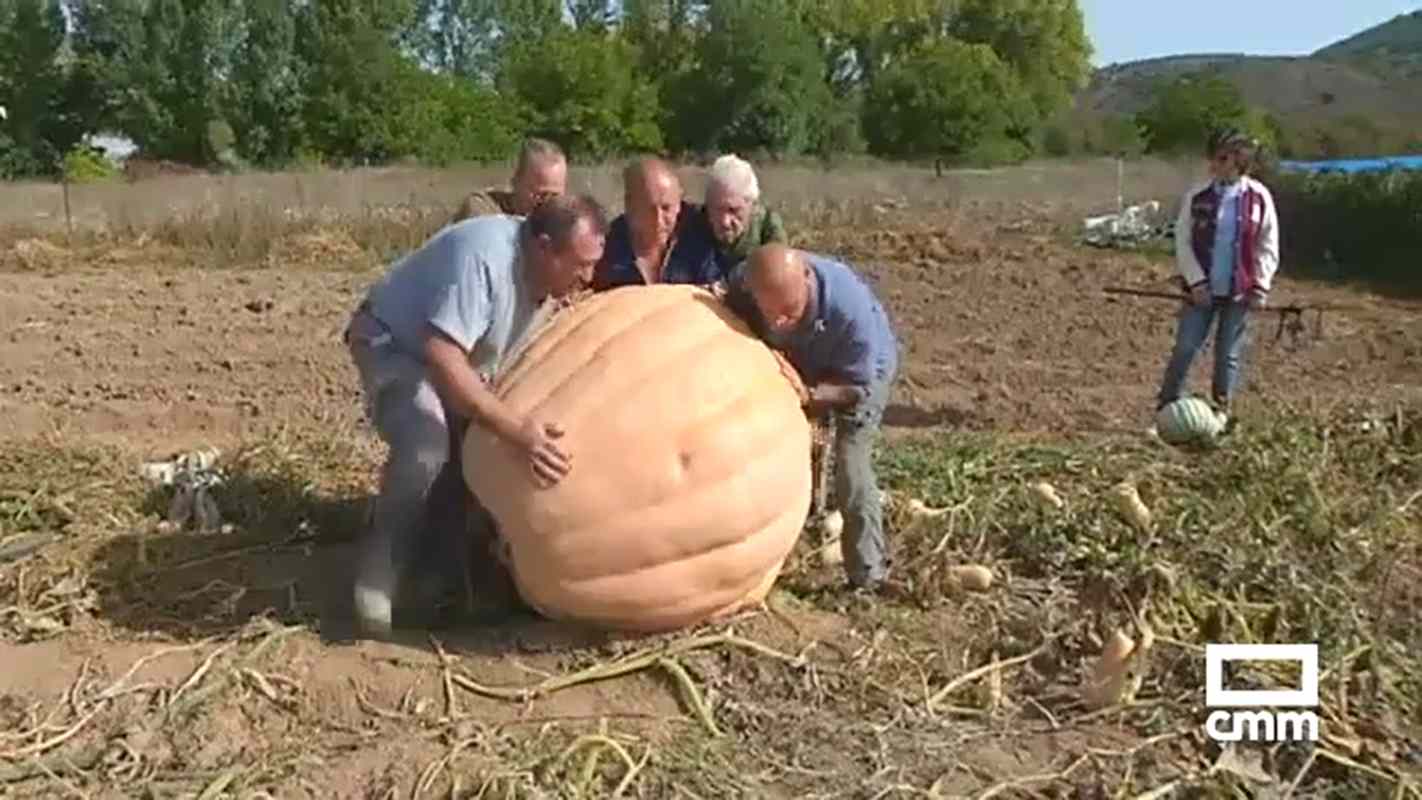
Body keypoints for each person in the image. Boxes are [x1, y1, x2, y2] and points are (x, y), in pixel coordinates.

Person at [343, 194, 608, 636]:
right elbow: (442, 356)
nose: (589, 276)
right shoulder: (484, 259)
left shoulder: (546, 275)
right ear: (543, 248)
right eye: (580, 265)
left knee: (471, 454)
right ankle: (379, 574)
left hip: (464, 360)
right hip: (397, 347)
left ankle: (440, 573)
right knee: (428, 442)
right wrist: (518, 429)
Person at [717, 244, 899, 593]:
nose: (779, 321)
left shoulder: (849, 310)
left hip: (857, 378)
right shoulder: (747, 280)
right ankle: (780, 538)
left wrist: (809, 396)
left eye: (789, 310)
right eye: (771, 313)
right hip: (802, 358)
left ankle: (868, 573)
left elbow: (856, 388)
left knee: (851, 468)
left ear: (806, 279)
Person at [1155, 127, 1280, 430]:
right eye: (1213, 157)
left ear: (1240, 161)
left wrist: (1260, 284)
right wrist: (1196, 282)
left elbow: (1268, 244)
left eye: (1222, 158)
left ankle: (1221, 412)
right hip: (1201, 293)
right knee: (1185, 348)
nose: (1214, 164)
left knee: (1228, 356)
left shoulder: (1259, 197)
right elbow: (1183, 241)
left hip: (1239, 293)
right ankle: (1165, 410)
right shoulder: (1197, 196)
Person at [591, 156, 720, 290]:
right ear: (629, 205)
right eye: (649, 209)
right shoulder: (605, 249)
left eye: (666, 208)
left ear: (679, 204)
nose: (659, 220)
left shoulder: (698, 238)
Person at [702, 154, 787, 272]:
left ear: (752, 205)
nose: (725, 221)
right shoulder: (695, 221)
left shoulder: (768, 225)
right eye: (717, 209)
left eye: (734, 210)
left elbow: (778, 272)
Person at [451, 138, 568, 223]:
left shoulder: (566, 221)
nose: (546, 203)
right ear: (516, 182)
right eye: (540, 195)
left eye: (554, 196)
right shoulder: (483, 207)